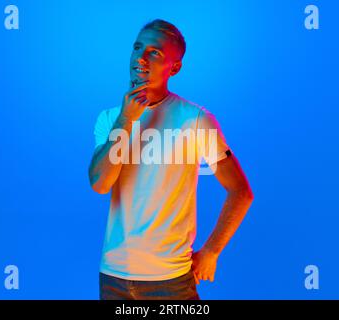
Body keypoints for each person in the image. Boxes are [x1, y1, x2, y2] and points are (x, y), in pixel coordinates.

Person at [89, 19, 254, 300]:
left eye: (155, 52)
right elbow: (100, 184)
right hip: (114, 276)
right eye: (137, 48)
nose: (140, 58)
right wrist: (127, 119)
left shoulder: (195, 119)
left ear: (174, 67)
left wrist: (212, 251)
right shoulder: (109, 119)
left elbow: (240, 192)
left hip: (171, 279)